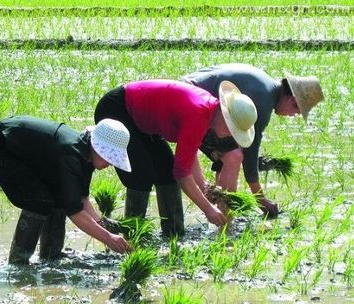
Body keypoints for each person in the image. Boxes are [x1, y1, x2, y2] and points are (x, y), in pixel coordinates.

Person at [94, 79, 257, 235]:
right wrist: (208, 209)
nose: (230, 134)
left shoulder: (208, 112)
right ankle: (133, 237)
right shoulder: (199, 114)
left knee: (166, 175)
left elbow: (188, 154)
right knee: (140, 176)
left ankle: (173, 234)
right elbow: (182, 173)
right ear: (223, 113)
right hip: (118, 109)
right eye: (230, 128)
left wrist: (203, 186)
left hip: (145, 125)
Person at [0, 116, 132, 265]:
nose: (111, 163)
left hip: (25, 152)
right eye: (110, 157)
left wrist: (101, 224)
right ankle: (19, 262)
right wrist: (108, 238)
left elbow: (80, 198)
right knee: (39, 200)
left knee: (59, 196)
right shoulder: (72, 156)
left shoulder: (86, 156)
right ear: (98, 148)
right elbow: (75, 212)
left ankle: (51, 256)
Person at [182, 64, 324, 218]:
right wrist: (262, 201)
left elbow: (239, 145)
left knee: (229, 154)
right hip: (190, 100)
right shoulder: (263, 102)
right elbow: (249, 153)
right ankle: (225, 220)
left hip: (188, 91)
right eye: (297, 111)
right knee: (233, 157)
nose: (294, 115)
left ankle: (220, 210)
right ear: (293, 100)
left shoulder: (266, 86)